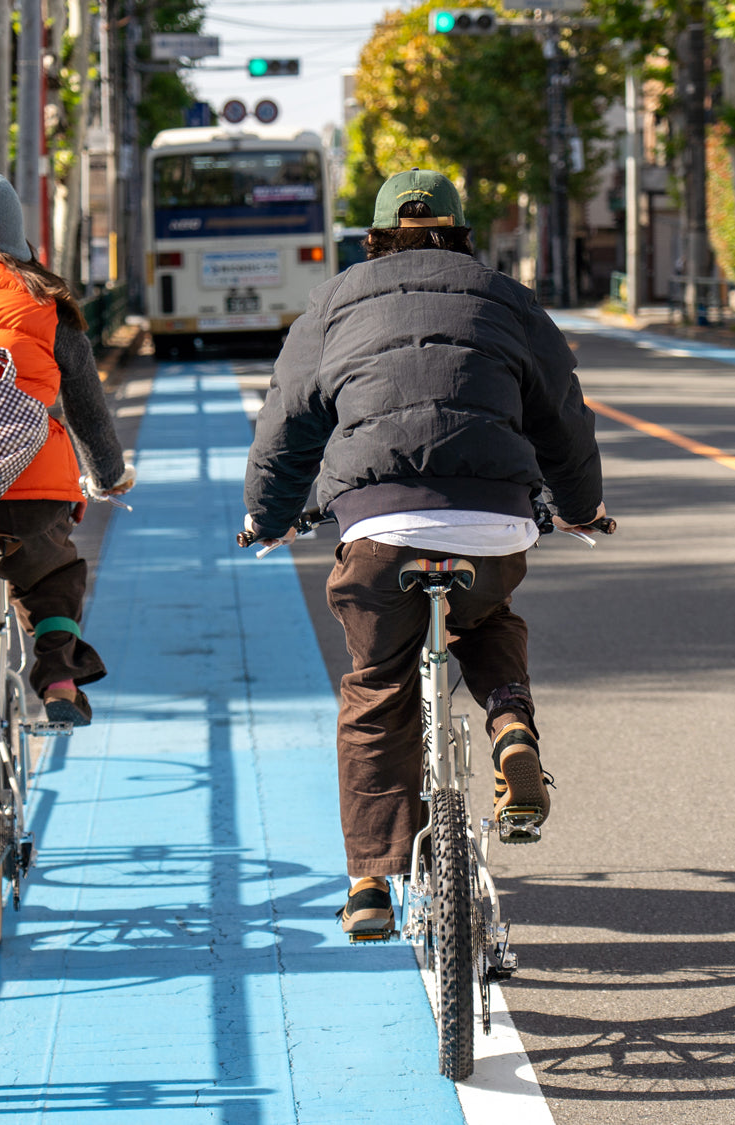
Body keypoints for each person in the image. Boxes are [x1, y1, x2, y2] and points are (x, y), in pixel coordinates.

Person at [244, 169, 604, 935]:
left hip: (377, 526)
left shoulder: (337, 300)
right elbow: (562, 414)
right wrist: (579, 507)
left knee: (377, 683)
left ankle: (370, 880)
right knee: (486, 618)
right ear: (461, 230)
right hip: (493, 521)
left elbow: (289, 420)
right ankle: (511, 727)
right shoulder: (505, 296)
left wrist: (268, 516)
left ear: (375, 237)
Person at [0, 172, 134, 727]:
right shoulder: (47, 304)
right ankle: (58, 678)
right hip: (31, 482)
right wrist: (108, 474)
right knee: (51, 576)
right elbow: (87, 409)